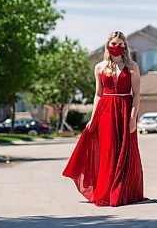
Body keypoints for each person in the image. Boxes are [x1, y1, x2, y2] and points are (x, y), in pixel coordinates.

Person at [62, 31, 149, 207]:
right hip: (105, 111)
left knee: (125, 151)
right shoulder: (99, 67)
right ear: (107, 45)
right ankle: (106, 191)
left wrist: (133, 118)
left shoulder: (132, 66)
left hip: (125, 109)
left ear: (125, 46)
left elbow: (137, 94)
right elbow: (98, 94)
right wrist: (93, 117)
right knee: (107, 151)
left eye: (120, 44)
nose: (116, 47)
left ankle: (123, 191)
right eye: (113, 44)